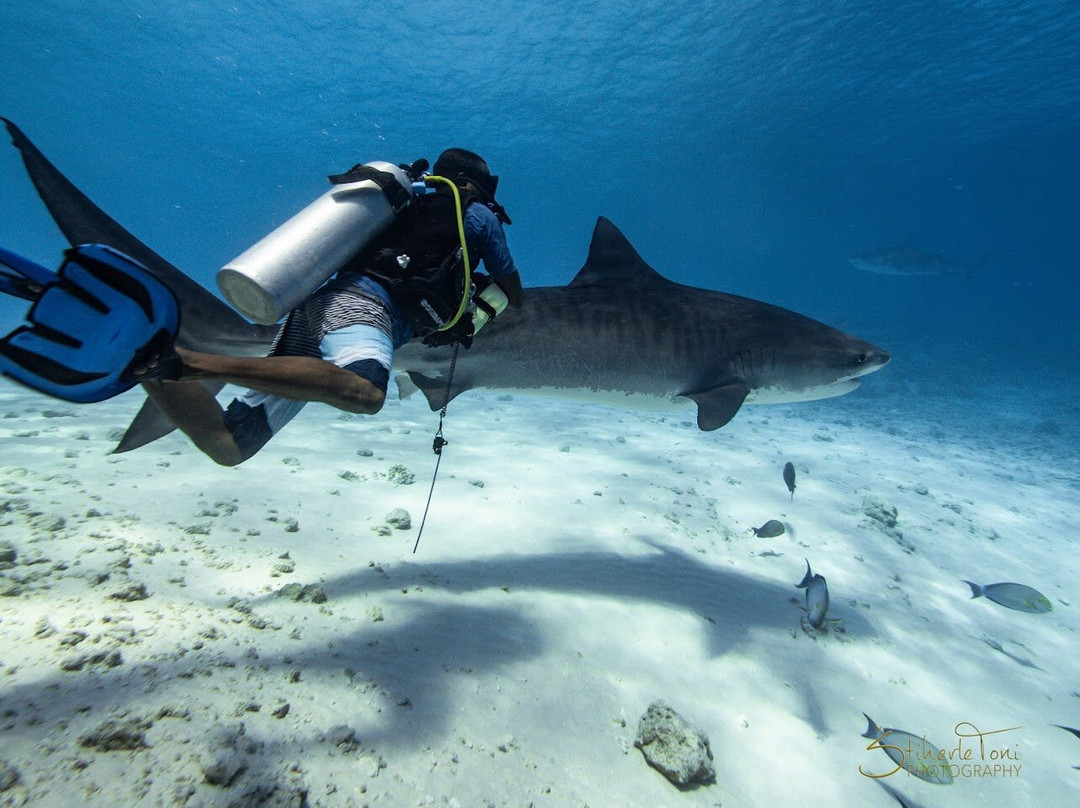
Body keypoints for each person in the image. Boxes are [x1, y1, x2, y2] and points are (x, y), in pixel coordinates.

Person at [141, 148, 523, 466]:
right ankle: (190, 362)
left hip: (321, 304)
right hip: (364, 309)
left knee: (230, 446)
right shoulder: (479, 214)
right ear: (476, 183)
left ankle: (142, 358)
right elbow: (513, 292)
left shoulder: (406, 200)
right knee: (366, 393)